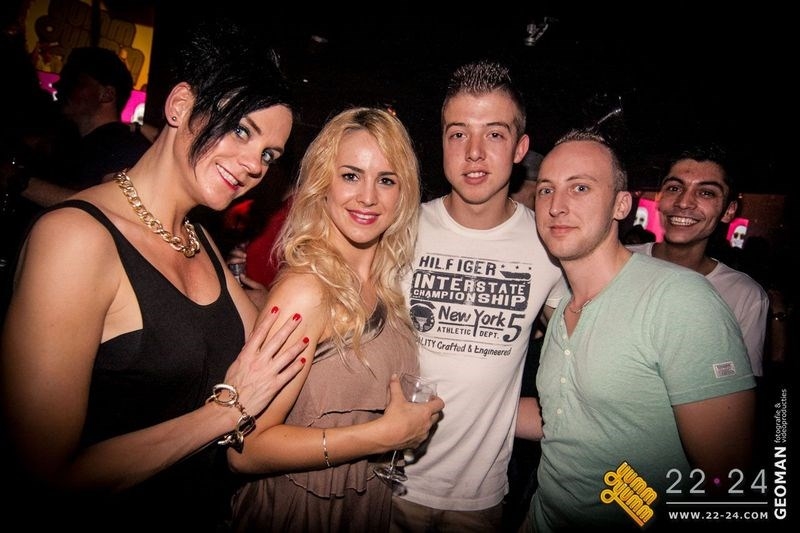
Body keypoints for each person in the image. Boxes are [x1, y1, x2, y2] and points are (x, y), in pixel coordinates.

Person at [0, 20, 310, 532]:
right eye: (241, 130)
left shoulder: (197, 238)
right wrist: (224, 412)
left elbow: (268, 347)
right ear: (180, 105)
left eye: (268, 155)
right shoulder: (76, 239)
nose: (255, 165)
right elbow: (45, 476)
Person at [520, 129, 756, 532]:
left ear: (621, 205)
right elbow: (565, 419)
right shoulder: (563, 307)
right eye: (546, 190)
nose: (557, 206)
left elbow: (728, 477)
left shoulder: (680, 299)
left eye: (580, 187)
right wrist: (464, 405)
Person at [228, 107, 445, 532]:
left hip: (361, 502)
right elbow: (244, 450)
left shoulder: (386, 287)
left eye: (386, 180)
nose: (368, 197)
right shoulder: (306, 291)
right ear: (322, 183)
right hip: (298, 509)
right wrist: (382, 436)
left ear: (403, 194)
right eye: (350, 175)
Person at [391, 60, 564, 532]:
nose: (473, 153)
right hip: (386, 483)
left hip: (480, 498)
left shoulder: (548, 246)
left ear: (520, 148)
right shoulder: (400, 228)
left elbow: (579, 357)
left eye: (494, 134)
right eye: (458, 134)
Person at [627, 143, 769, 378]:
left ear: (728, 211)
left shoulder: (744, 295)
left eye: (706, 193)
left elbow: (739, 386)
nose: (684, 202)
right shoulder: (617, 263)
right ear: (660, 198)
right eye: (674, 188)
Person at [8, 46, 152, 208]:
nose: (58, 85)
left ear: (107, 94)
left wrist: (17, 180)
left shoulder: (124, 145)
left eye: (74, 81)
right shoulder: (65, 141)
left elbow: (110, 208)